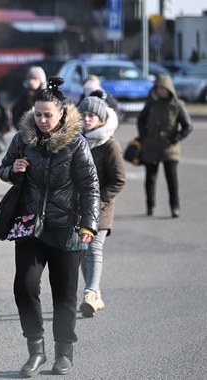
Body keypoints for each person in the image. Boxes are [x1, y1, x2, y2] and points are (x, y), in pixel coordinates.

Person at [0, 76, 100, 376]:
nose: (42, 120)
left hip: (67, 227)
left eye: (48, 115)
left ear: (61, 115)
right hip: (30, 226)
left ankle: (64, 353)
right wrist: (12, 170)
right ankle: (36, 350)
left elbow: (91, 186)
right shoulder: (22, 139)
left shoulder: (76, 144)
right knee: (24, 287)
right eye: (38, 114)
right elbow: (4, 168)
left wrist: (88, 225)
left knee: (64, 295)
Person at [77, 92, 126, 318]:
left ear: (101, 119)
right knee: (81, 251)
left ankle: (89, 293)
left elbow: (119, 179)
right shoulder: (77, 140)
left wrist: (98, 199)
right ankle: (95, 293)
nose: (87, 119)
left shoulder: (109, 144)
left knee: (94, 249)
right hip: (78, 207)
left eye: (92, 115)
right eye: (84, 114)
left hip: (101, 207)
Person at [137, 74, 192, 218]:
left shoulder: (178, 105)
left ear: (169, 89)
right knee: (150, 178)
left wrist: (176, 138)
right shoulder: (151, 103)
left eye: (163, 89)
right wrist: (144, 136)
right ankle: (150, 205)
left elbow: (188, 126)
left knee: (171, 179)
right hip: (151, 147)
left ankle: (175, 207)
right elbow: (140, 120)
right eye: (158, 88)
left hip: (170, 148)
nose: (161, 91)